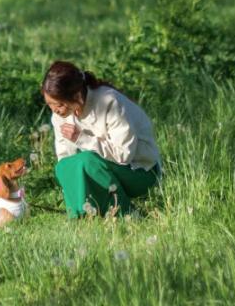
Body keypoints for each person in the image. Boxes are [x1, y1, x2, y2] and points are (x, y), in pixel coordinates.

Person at [41, 59, 161, 218]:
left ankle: (126, 213)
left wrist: (81, 138)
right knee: (62, 167)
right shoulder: (59, 116)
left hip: (140, 171)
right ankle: (80, 216)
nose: (55, 110)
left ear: (76, 94)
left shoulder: (109, 101)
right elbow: (65, 159)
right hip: (101, 171)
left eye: (60, 104)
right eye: (50, 104)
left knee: (87, 160)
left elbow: (123, 155)